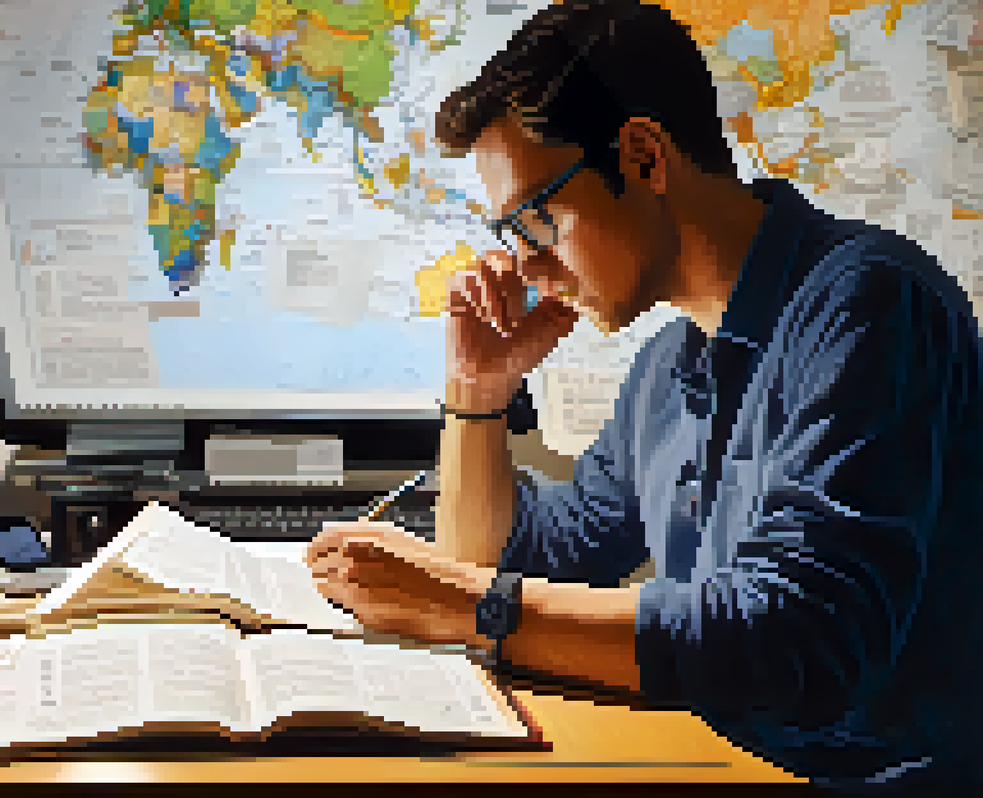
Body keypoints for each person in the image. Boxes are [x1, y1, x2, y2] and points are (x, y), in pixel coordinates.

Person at [305, 1, 983, 792]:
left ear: (642, 156)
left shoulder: (870, 307)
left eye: (537, 219)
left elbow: (804, 640)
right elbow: (510, 562)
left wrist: (476, 606)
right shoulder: (668, 364)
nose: (523, 266)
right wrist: (479, 396)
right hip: (715, 763)